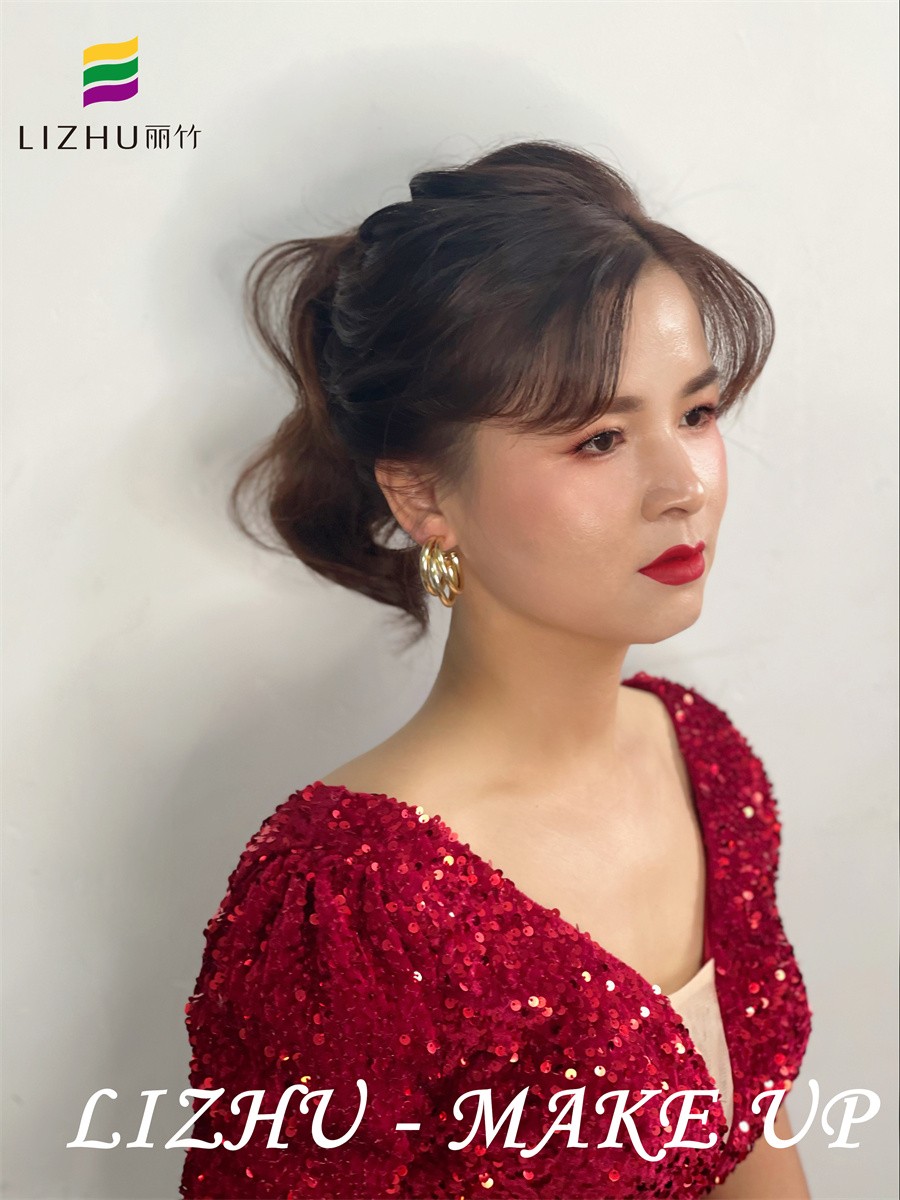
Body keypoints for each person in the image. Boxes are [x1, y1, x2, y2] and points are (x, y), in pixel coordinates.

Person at [179, 140, 813, 1199]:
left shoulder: (704, 762)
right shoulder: (350, 904)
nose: (684, 487)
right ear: (424, 494)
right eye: (599, 438)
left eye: (696, 415)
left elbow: (757, 1136)